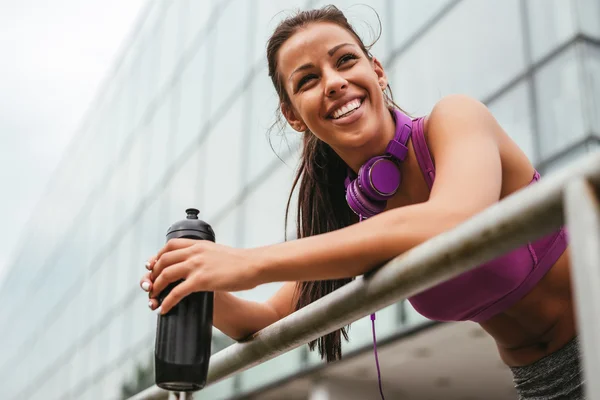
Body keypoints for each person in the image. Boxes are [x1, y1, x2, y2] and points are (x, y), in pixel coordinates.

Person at [139, 5, 582, 399]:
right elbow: (261, 323)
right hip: (541, 383)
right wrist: (192, 280)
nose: (334, 83)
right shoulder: (355, 219)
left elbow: (453, 221)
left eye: (345, 60)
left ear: (377, 70)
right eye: (308, 80)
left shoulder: (455, 119)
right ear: (293, 115)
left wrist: (248, 263)